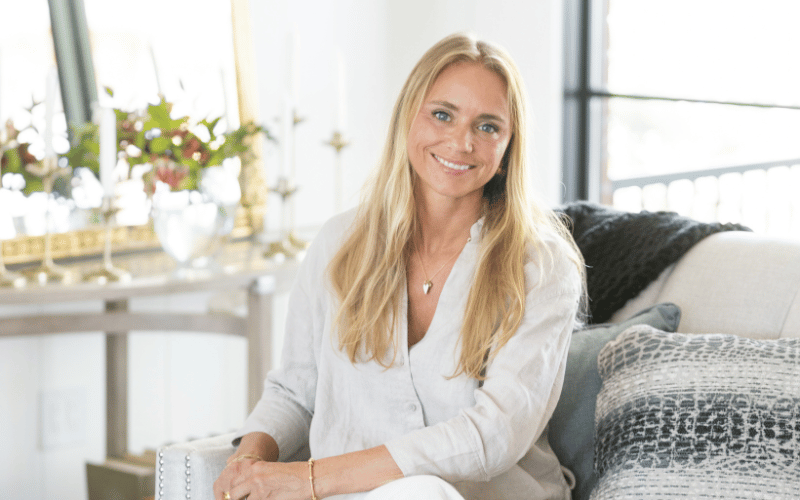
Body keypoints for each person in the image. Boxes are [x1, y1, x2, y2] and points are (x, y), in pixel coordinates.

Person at [214, 32, 586, 500]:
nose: (461, 141)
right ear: (409, 115)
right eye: (443, 114)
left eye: (488, 126)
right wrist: (247, 465)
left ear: (509, 146)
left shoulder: (541, 267)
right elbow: (294, 392)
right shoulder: (338, 244)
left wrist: (307, 479)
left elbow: (494, 435)